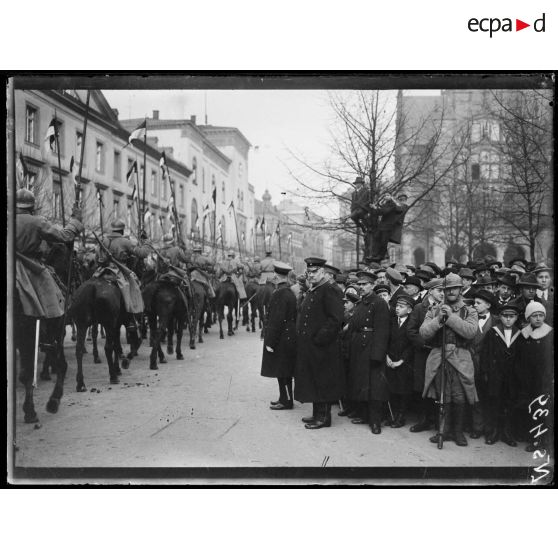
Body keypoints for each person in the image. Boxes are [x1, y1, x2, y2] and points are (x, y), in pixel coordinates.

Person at [419, 273, 479, 446]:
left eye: (455, 288)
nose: (451, 291)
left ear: (461, 289)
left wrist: (451, 318)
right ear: (443, 290)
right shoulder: (434, 310)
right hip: (440, 357)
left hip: (461, 358)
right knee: (442, 394)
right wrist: (439, 319)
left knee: (459, 395)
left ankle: (458, 432)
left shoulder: (469, 310)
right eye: (448, 289)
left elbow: (470, 331)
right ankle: (443, 430)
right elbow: (424, 333)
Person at [15, 188, 84, 319]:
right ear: (32, 206)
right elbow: (65, 236)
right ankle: (51, 323)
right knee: (52, 296)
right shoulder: (37, 222)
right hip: (30, 267)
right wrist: (75, 220)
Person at [294, 257, 345, 429]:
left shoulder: (329, 289)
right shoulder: (315, 289)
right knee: (314, 379)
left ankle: (324, 418)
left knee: (323, 380)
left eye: (315, 271)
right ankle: (317, 414)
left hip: (323, 346)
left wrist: (319, 339)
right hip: (312, 346)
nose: (311, 275)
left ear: (323, 272)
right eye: (309, 272)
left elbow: (335, 319)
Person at [346, 270, 391, 434]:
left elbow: (383, 331)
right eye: (359, 284)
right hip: (360, 347)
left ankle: (376, 421)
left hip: (372, 348)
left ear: (372, 285)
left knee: (375, 388)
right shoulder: (360, 303)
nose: (361, 287)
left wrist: (378, 354)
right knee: (362, 384)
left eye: (364, 284)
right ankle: (365, 416)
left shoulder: (379, 303)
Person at [93, 218, 150, 332]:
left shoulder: (103, 240)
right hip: (119, 271)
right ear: (122, 231)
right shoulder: (125, 241)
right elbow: (142, 253)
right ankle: (131, 318)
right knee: (134, 287)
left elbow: (97, 259)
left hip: (102, 271)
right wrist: (146, 242)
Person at [479, 302, 523, 446]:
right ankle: (493, 432)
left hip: (511, 377)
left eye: (512, 316)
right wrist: (486, 372)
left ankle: (507, 433)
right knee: (494, 403)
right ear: (500, 317)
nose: (508, 319)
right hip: (495, 375)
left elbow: (522, 357)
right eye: (505, 316)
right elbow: (485, 354)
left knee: (508, 404)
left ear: (516, 317)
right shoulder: (493, 332)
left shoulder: (520, 334)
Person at [406, 278, 445, 433]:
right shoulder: (418, 308)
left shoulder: (445, 307)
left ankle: (437, 421)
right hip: (423, 353)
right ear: (430, 291)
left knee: (437, 386)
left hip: (438, 352)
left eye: (444, 291)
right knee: (423, 386)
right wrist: (423, 343)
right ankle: (423, 419)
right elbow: (411, 330)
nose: (443, 294)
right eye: (439, 291)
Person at [261, 262, 298, 410]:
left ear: (276, 276)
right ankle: (283, 398)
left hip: (282, 338)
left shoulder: (279, 294)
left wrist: (270, 341)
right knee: (283, 371)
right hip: (288, 336)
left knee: (283, 372)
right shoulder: (288, 292)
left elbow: (276, 319)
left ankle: (287, 401)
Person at [469, 289, 499, 439]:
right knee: (476, 397)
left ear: (488, 305)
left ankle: (490, 429)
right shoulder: (470, 319)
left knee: (489, 396)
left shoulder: (496, 321)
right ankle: (477, 427)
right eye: (474, 302)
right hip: (471, 363)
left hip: (489, 365)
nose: (475, 305)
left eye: (478, 303)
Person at [386, 293, 415, 428]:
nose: (397, 308)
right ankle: (392, 414)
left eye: (401, 307)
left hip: (405, 363)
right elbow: (386, 340)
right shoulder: (391, 322)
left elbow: (411, 345)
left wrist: (401, 360)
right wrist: (387, 357)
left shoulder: (411, 324)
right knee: (391, 388)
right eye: (397, 306)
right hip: (390, 359)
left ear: (409, 310)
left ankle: (401, 416)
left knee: (403, 389)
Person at [369, 192, 409, 262]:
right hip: (385, 225)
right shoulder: (392, 204)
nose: (401, 201)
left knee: (384, 241)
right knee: (378, 239)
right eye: (400, 199)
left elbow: (397, 209)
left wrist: (391, 200)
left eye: (403, 199)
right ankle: (376, 255)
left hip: (391, 227)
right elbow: (384, 210)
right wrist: (376, 208)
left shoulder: (403, 206)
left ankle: (381, 256)